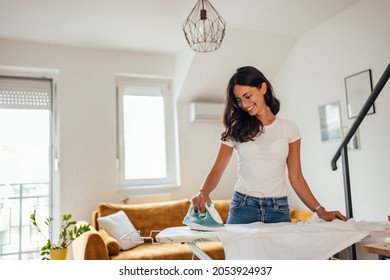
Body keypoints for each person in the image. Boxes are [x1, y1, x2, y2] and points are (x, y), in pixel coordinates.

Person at [191, 66, 347, 224]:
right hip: (243, 208)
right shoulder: (235, 130)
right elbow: (217, 171)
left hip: (278, 210)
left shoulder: (289, 128)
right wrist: (203, 192)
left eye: (248, 96)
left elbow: (296, 177)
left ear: (263, 88)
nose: (244, 104)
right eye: (239, 100)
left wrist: (320, 211)